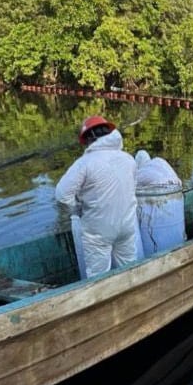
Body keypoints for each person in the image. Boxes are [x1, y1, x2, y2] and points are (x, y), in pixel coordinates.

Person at [56, 116, 138, 278]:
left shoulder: (85, 163)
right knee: (129, 269)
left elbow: (61, 195)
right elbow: (132, 189)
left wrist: (77, 210)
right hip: (127, 226)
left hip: (98, 232)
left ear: (89, 139)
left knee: (98, 276)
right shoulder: (128, 159)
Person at [133, 150, 186, 254]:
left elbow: (131, 187)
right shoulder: (159, 161)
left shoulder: (141, 172)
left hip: (160, 198)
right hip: (177, 192)